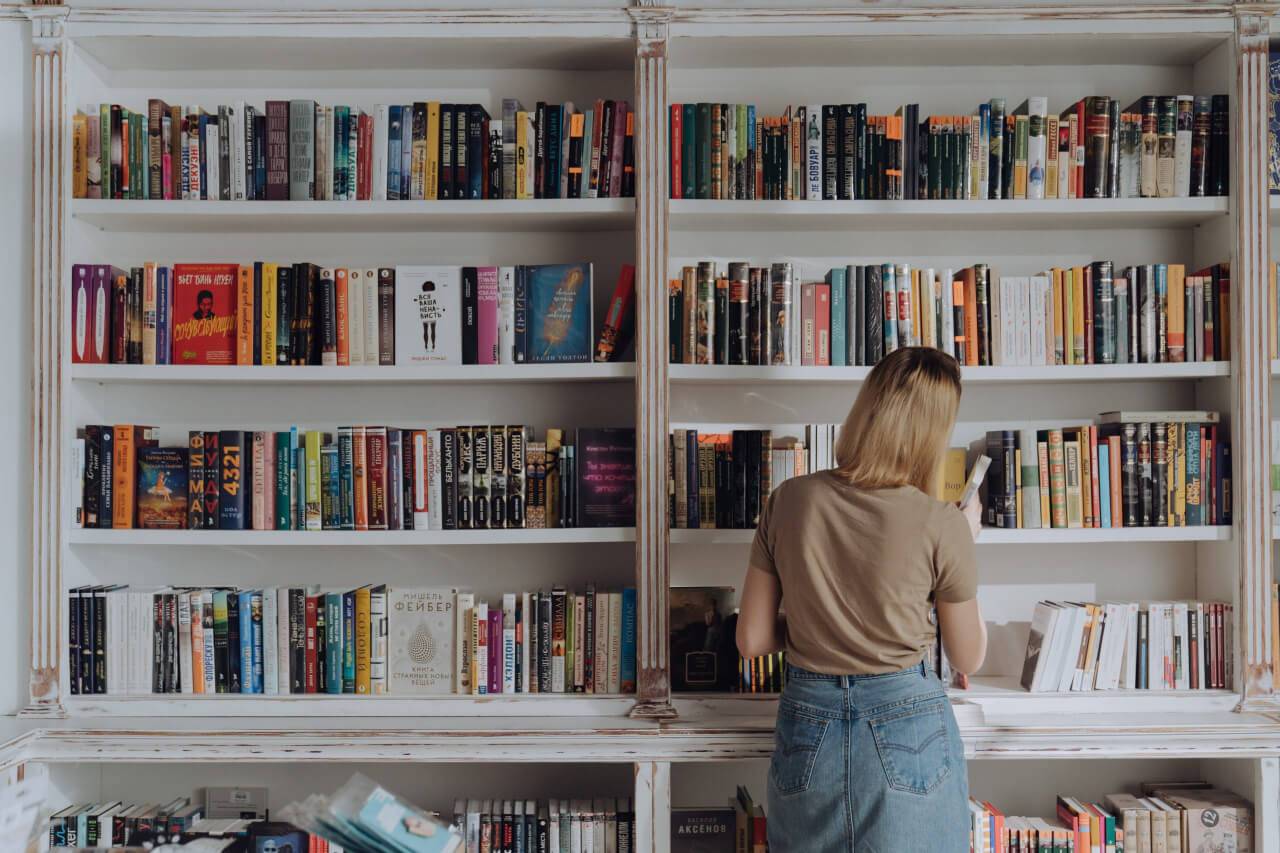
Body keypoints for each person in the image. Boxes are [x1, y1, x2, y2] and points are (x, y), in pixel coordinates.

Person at [737, 346, 986, 853]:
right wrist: (966, 539)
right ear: (931, 434)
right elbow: (969, 656)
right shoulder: (943, 522)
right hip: (908, 718)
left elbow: (753, 640)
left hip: (808, 720)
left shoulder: (788, 499)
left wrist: (818, 622)